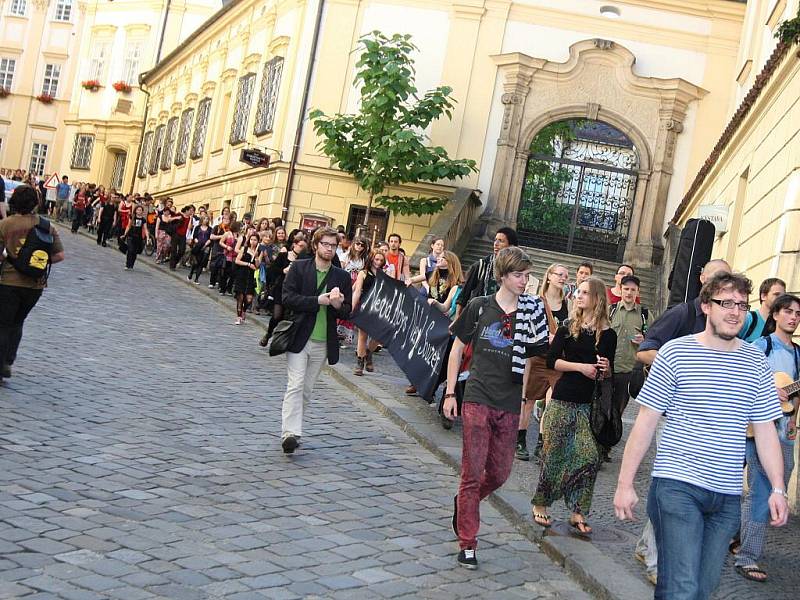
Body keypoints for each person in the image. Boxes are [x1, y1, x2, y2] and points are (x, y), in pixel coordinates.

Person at [614, 272, 789, 600]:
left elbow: (765, 430)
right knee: (682, 588)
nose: (735, 311)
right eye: (726, 303)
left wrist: (778, 487)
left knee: (702, 589)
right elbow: (646, 421)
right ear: (706, 306)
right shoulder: (676, 353)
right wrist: (624, 484)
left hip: (725, 497)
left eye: (741, 304)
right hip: (677, 486)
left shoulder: (756, 363)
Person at [443, 246, 549, 570]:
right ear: (502, 276)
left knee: (500, 473)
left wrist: (524, 397)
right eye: (519, 275)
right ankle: (468, 542)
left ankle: (464, 503)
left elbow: (532, 357)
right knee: (471, 472)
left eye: (528, 275)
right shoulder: (479, 306)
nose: (524, 281)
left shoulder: (530, 312)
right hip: (477, 397)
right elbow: (457, 348)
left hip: (509, 401)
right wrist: (450, 393)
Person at [632, 258, 731, 584]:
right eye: (715, 278)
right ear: (702, 280)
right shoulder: (682, 314)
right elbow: (644, 351)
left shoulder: (727, 325)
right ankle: (658, 564)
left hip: (705, 422)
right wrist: (684, 363)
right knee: (674, 486)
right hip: (670, 415)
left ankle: (648, 545)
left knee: (676, 489)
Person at [531, 277, 616, 534]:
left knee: (589, 457)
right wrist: (580, 367)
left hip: (587, 405)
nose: (578, 296)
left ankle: (578, 512)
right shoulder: (569, 327)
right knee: (554, 454)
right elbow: (551, 362)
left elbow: (607, 372)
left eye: (585, 293)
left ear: (597, 299)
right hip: (562, 398)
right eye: (578, 292)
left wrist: (606, 369)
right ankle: (541, 504)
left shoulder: (608, 335)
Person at [733, 293, 799, 583]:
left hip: (785, 429)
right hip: (758, 429)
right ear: (775, 315)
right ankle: (748, 556)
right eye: (788, 311)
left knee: (776, 487)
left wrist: (795, 417)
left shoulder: (798, 353)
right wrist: (769, 392)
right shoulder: (762, 345)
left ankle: (737, 539)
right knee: (762, 490)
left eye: (798, 313)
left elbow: (795, 391)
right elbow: (743, 378)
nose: (794, 317)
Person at [280, 227, 352, 454]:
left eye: (333, 245)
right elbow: (287, 298)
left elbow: (347, 311)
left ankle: (295, 430)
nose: (330, 249)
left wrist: (339, 305)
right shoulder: (300, 268)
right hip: (299, 337)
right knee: (296, 384)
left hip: (323, 341)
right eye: (326, 244)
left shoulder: (341, 276)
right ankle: (290, 433)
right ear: (316, 245)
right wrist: (317, 301)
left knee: (307, 389)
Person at [0, 185, 65, 382]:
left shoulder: (5, 224)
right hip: (35, 285)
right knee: (18, 322)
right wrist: (38, 264)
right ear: (36, 203)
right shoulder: (47, 226)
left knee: (3, 324)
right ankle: (9, 361)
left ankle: (1, 364)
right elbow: (60, 255)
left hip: (9, 282)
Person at [522, 263, 570, 460]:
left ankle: (542, 442)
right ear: (549, 276)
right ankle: (520, 440)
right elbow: (528, 327)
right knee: (529, 399)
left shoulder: (569, 304)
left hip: (557, 359)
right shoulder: (537, 301)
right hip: (538, 355)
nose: (563, 278)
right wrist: (545, 336)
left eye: (566, 276)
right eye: (559, 274)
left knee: (552, 401)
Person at [609, 275, 650, 418]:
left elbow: (654, 340)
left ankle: (612, 435)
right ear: (620, 290)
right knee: (603, 404)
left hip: (628, 370)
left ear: (638, 292)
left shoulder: (645, 314)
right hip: (608, 366)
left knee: (618, 408)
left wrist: (644, 340)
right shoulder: (610, 311)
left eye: (633, 290)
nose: (629, 292)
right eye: (626, 289)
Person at [456, 227, 518, 318]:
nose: (496, 244)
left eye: (501, 241)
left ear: (511, 246)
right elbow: (464, 294)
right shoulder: (481, 266)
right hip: (479, 317)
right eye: (495, 240)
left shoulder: (516, 271)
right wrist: (457, 317)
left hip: (502, 319)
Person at [260, 235, 307, 347]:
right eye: (300, 246)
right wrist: (283, 270)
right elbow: (272, 270)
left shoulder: (304, 260)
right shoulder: (284, 255)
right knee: (277, 315)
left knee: (288, 318)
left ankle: (282, 340)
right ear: (294, 244)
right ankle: (268, 333)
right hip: (281, 288)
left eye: (304, 247)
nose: (302, 249)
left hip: (295, 291)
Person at [352, 250, 387, 376]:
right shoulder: (363, 273)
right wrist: (352, 306)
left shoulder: (384, 274)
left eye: (381, 260)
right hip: (365, 306)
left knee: (378, 336)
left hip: (379, 308)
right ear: (371, 259)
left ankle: (368, 353)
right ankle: (360, 362)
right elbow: (357, 291)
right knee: (363, 335)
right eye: (376, 259)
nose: (378, 262)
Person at [738, 277, 786, 342]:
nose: (781, 299)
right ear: (763, 296)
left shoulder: (780, 326)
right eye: (776, 294)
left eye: (783, 296)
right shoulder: (748, 319)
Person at [233, 233, 261, 325]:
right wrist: (248, 264)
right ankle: (238, 317)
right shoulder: (244, 249)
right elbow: (237, 260)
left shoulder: (258, 252)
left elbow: (257, 266)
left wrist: (256, 257)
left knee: (249, 299)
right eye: (251, 239)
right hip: (242, 274)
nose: (253, 241)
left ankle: (244, 310)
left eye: (255, 240)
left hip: (250, 277)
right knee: (240, 297)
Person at [122, 205, 149, 270]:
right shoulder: (132, 217)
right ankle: (127, 264)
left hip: (138, 237)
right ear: (136, 211)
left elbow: (145, 229)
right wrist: (125, 234)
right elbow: (128, 226)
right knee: (130, 250)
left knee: (134, 252)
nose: (139, 211)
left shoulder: (143, 220)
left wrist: (147, 237)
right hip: (131, 236)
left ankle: (131, 265)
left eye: (140, 210)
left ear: (142, 211)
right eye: (138, 210)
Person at [188, 216, 213, 284]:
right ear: (202, 220)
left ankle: (196, 278)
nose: (206, 220)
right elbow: (195, 236)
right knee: (196, 262)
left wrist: (207, 243)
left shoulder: (210, 229)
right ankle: (191, 273)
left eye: (207, 219)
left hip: (206, 246)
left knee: (202, 262)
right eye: (205, 218)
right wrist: (197, 241)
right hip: (198, 246)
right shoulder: (198, 227)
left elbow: (211, 238)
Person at [169, 205, 194, 270]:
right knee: (173, 250)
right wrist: (177, 218)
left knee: (182, 251)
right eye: (190, 211)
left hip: (183, 236)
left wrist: (191, 218)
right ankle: (172, 266)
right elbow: (169, 220)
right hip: (176, 234)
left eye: (192, 211)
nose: (191, 212)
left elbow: (189, 228)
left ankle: (175, 262)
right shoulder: (179, 214)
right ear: (186, 210)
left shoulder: (190, 218)